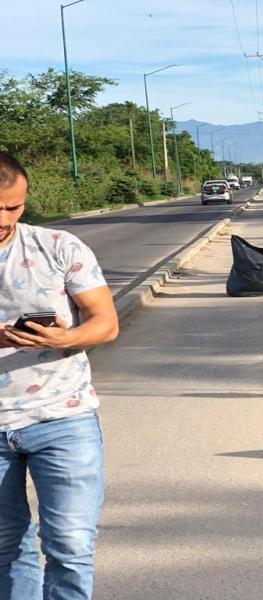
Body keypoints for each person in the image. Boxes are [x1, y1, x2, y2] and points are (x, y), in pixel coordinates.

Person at [0, 152, 119, 599]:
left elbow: (105, 322)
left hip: (62, 419)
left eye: (14, 207)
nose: (5, 218)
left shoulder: (58, 246)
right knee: (5, 547)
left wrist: (60, 340)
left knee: (70, 546)